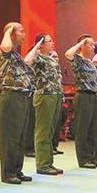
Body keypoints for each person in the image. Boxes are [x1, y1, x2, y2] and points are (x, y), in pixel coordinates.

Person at [0, 22, 35, 185]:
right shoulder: (4, 50)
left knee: (20, 136)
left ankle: (17, 170)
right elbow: (5, 46)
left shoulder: (16, 55)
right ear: (11, 34)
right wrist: (8, 30)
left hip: (22, 96)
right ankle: (8, 172)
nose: (24, 35)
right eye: (21, 31)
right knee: (10, 136)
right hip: (11, 96)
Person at [25, 33, 64, 176]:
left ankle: (48, 162)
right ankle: (42, 164)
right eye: (49, 41)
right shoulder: (37, 57)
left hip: (55, 95)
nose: (52, 43)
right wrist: (36, 46)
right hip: (44, 95)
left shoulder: (51, 58)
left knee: (50, 131)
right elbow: (27, 61)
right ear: (41, 43)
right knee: (43, 130)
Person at [65, 34, 97, 169]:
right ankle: (83, 159)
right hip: (84, 96)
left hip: (94, 96)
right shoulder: (78, 59)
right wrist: (80, 43)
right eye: (90, 44)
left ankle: (91, 157)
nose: (93, 47)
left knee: (92, 129)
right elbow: (68, 54)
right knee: (83, 129)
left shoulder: (89, 62)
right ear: (82, 46)